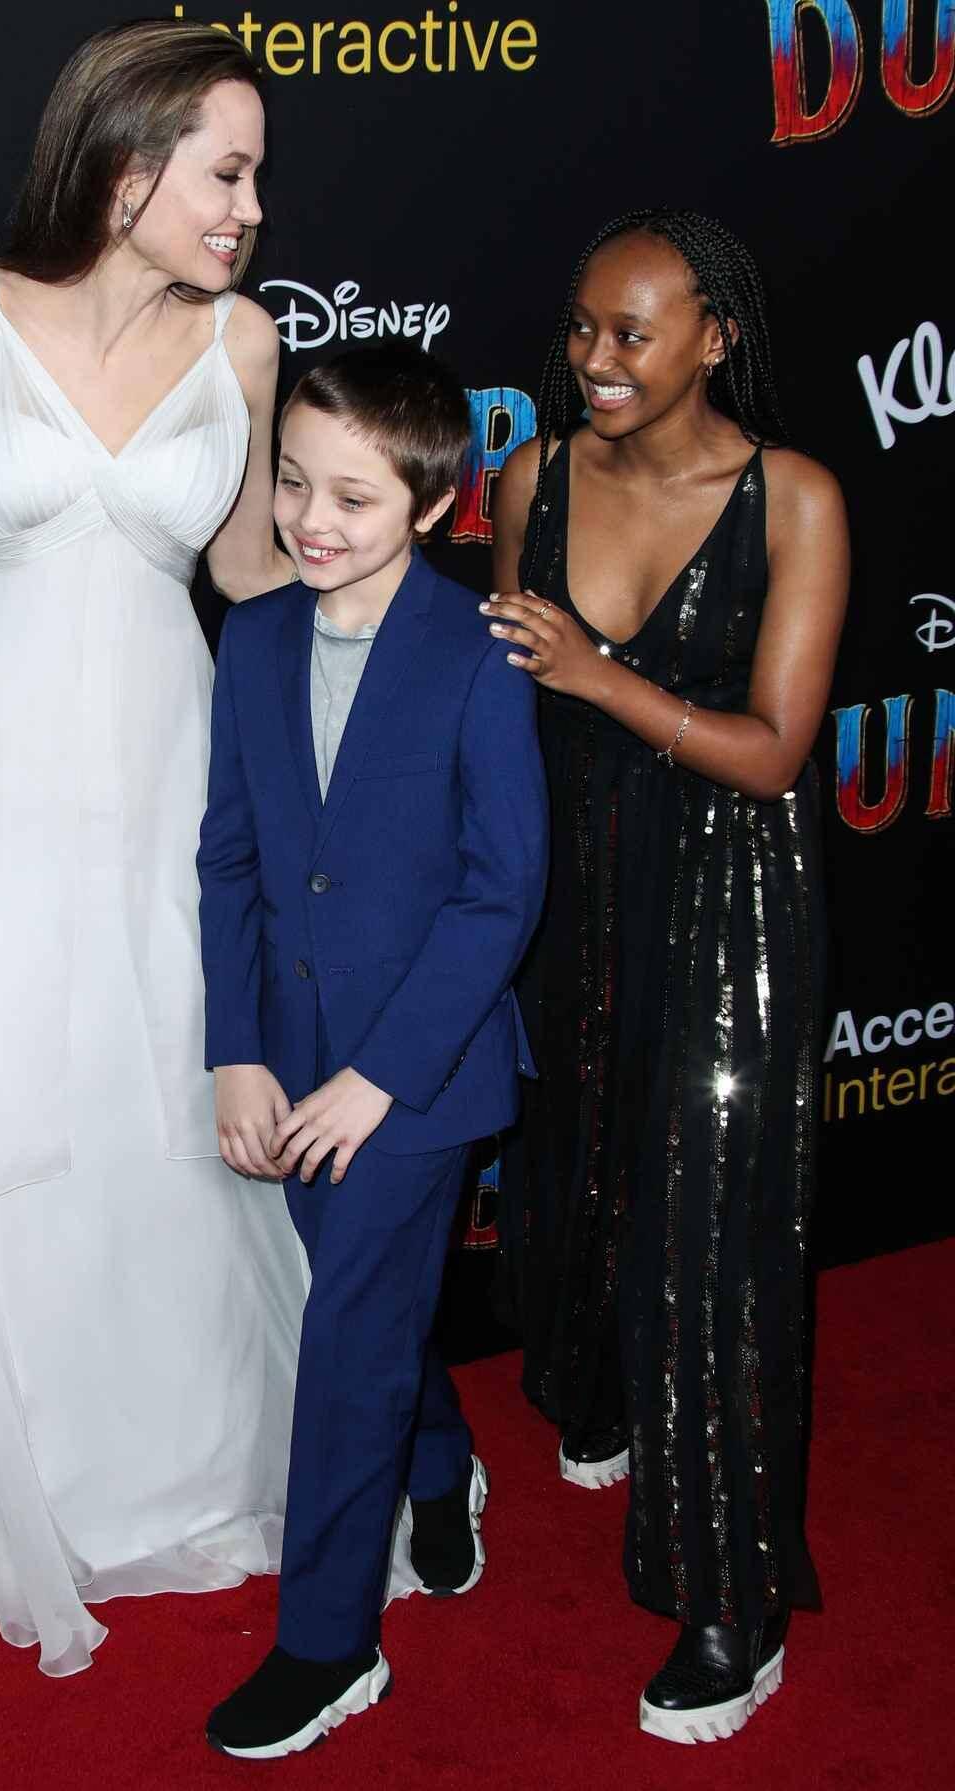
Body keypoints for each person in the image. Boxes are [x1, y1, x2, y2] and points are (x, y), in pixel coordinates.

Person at [0, 21, 312, 1677]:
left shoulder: (243, 345)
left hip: (168, 788)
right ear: (128, 169)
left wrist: (385, 592)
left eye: (255, 176)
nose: (251, 208)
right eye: (227, 172)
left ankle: (177, 1484)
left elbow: (243, 572)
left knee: (151, 1133)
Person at [488, 208, 847, 1742]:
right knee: (582, 1171)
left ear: (716, 335)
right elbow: (508, 708)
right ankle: (606, 1395)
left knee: (710, 1236)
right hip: (575, 883)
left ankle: (732, 1603)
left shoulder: (794, 501)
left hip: (730, 895)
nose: (597, 360)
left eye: (631, 333)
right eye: (582, 328)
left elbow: (772, 754)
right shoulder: (534, 479)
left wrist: (600, 675)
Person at [197, 346, 548, 1758]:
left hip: (422, 1073)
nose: (312, 519)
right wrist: (236, 1050)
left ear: (434, 503)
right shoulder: (254, 639)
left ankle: (329, 1645)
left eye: (353, 496)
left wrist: (381, 1077)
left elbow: (501, 892)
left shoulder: (481, 652)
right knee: (373, 1305)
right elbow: (228, 860)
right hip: (285, 1054)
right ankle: (441, 1458)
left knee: (346, 1338)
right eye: (293, 483)